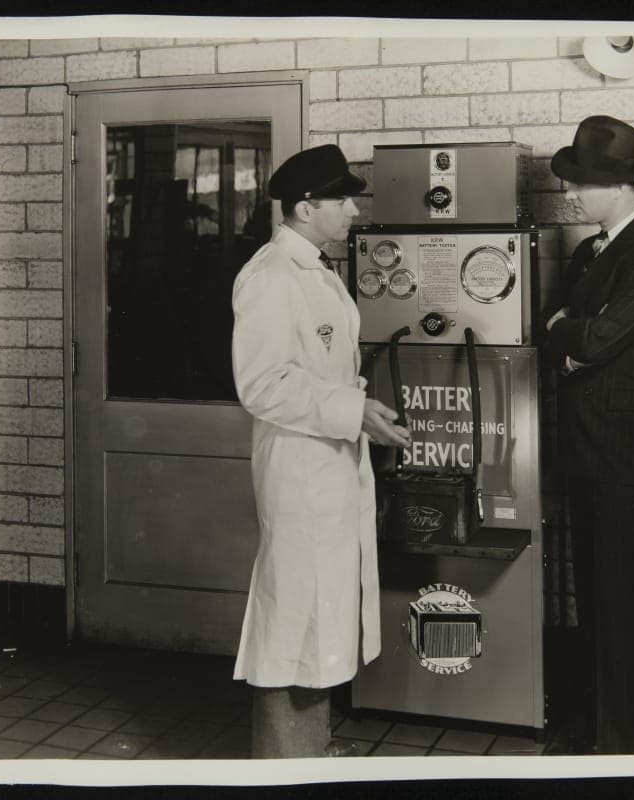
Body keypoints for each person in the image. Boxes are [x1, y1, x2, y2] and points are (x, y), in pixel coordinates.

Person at [230, 144, 411, 758]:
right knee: (293, 620)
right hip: (300, 468)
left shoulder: (314, 269)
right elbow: (261, 384)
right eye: (343, 201)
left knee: (321, 615)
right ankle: (285, 766)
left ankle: (308, 753)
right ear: (306, 208)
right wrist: (351, 412)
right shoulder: (271, 277)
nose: (354, 212)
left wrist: (359, 411)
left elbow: (317, 371)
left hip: (327, 464)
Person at [544, 115, 634, 754]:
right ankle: (596, 733)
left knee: (624, 600)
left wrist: (570, 335)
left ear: (624, 187)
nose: (572, 194)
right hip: (586, 445)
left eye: (583, 183)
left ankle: (627, 746)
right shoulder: (588, 252)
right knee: (595, 595)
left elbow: (595, 337)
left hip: (630, 453)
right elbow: (567, 329)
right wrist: (574, 338)